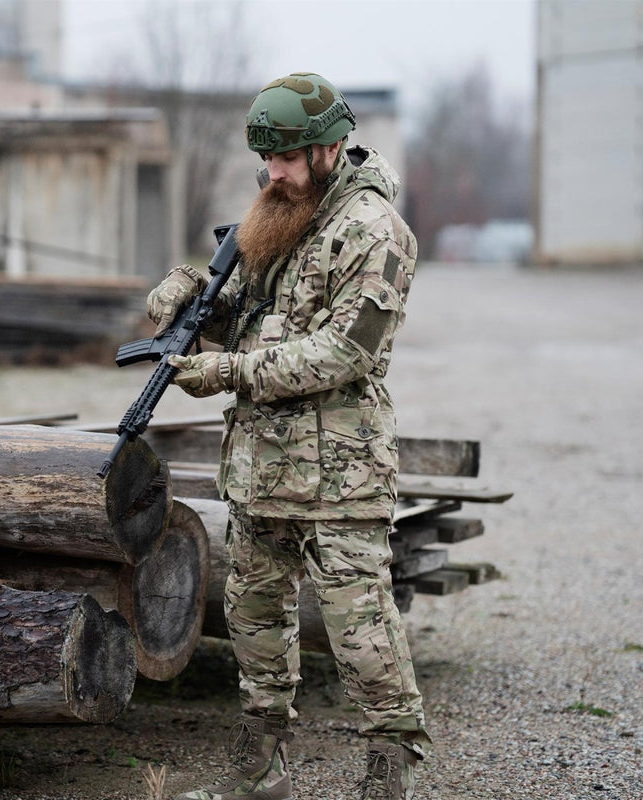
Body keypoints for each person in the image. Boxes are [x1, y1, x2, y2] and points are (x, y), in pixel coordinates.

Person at [146, 72, 430, 800]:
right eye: (267, 159)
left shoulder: (375, 232)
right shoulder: (282, 210)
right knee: (252, 612)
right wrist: (188, 295)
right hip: (262, 466)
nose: (273, 174)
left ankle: (388, 755)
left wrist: (229, 371)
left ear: (331, 147)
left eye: (288, 158)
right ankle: (262, 745)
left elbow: (344, 353)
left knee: (359, 625)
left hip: (340, 471)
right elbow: (245, 306)